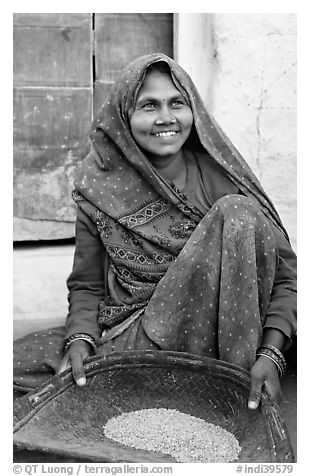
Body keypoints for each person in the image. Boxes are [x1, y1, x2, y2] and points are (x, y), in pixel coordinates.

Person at [13, 53, 296, 411]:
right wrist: (81, 340)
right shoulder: (98, 188)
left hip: (217, 342)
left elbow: (286, 277)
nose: (166, 118)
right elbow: (86, 285)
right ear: (124, 116)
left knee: (238, 212)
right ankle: (156, 380)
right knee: (19, 363)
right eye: (149, 105)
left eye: (177, 103)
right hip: (138, 334)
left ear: (194, 110)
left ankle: (224, 384)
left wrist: (271, 354)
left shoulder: (220, 179)